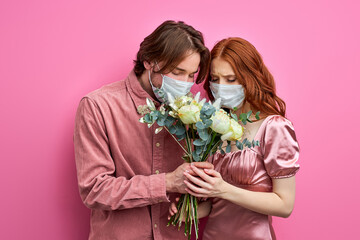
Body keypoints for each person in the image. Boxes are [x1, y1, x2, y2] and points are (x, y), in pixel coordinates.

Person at [73, 20, 213, 240]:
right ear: (149, 61)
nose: (185, 84)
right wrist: (166, 183)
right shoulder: (98, 106)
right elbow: (94, 190)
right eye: (177, 72)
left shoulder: (194, 113)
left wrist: (200, 190)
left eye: (191, 75)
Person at [169, 37, 300, 240]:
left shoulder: (274, 127)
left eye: (231, 79)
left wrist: (223, 190)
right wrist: (192, 211)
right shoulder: (213, 126)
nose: (221, 87)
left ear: (250, 78)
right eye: (215, 79)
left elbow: (284, 205)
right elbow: (218, 205)